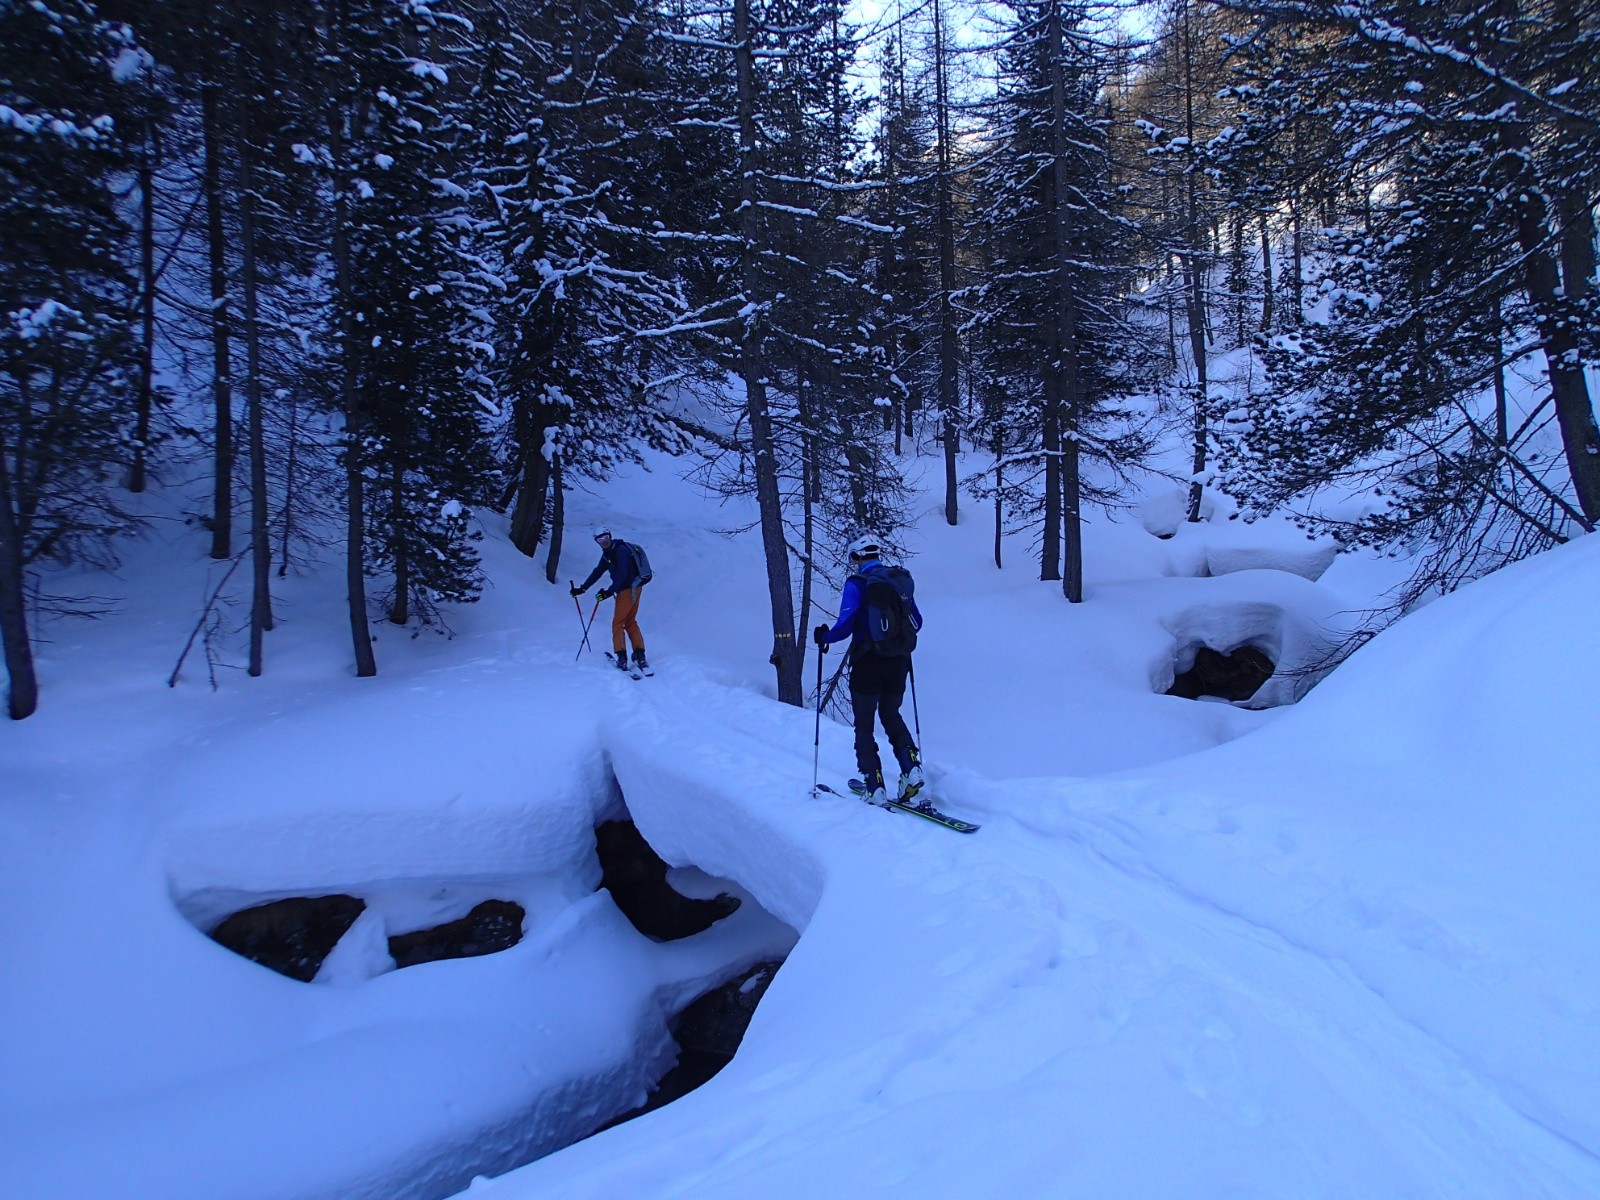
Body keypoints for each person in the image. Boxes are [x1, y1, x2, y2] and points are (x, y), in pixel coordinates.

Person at [812, 533, 924, 806]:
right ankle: (911, 769)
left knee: (864, 725)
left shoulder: (857, 584)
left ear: (855, 557)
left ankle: (874, 786)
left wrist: (823, 637)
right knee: (891, 714)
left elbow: (844, 626)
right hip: (898, 660)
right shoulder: (899, 580)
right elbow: (917, 621)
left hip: (867, 662)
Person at [571, 526, 649, 674]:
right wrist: (583, 588)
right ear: (597, 542)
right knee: (630, 621)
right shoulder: (608, 553)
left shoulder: (620, 550)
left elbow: (622, 574)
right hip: (634, 588)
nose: (603, 541)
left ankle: (622, 658)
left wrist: (609, 591)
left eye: (605, 537)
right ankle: (640, 656)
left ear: (610, 536)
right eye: (599, 539)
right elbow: (598, 571)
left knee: (618, 623)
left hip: (628, 589)